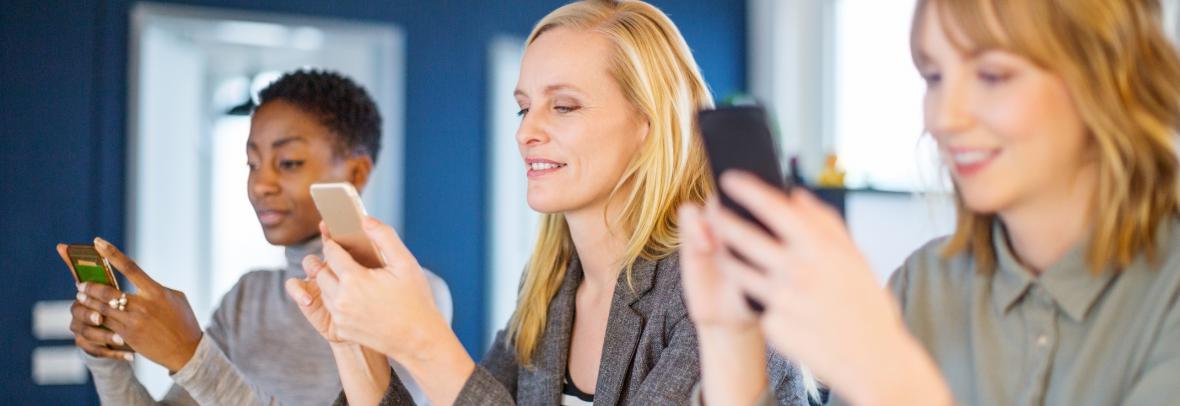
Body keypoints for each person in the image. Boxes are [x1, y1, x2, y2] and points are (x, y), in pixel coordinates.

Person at [285, 1, 809, 405]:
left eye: (563, 106)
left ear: (649, 128)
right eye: (523, 109)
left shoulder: (716, 290)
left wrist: (422, 340)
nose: (526, 133)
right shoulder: (551, 291)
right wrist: (358, 344)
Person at [683, 0, 1180, 404]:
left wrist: (886, 371)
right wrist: (732, 338)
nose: (944, 117)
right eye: (934, 77)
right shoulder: (923, 284)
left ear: (1109, 78)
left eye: (992, 75)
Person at [68, 70, 453, 405]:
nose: (261, 184)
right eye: (252, 164)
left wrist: (192, 357)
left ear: (355, 173)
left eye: (288, 163)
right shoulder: (246, 297)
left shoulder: (414, 296)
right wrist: (108, 360)